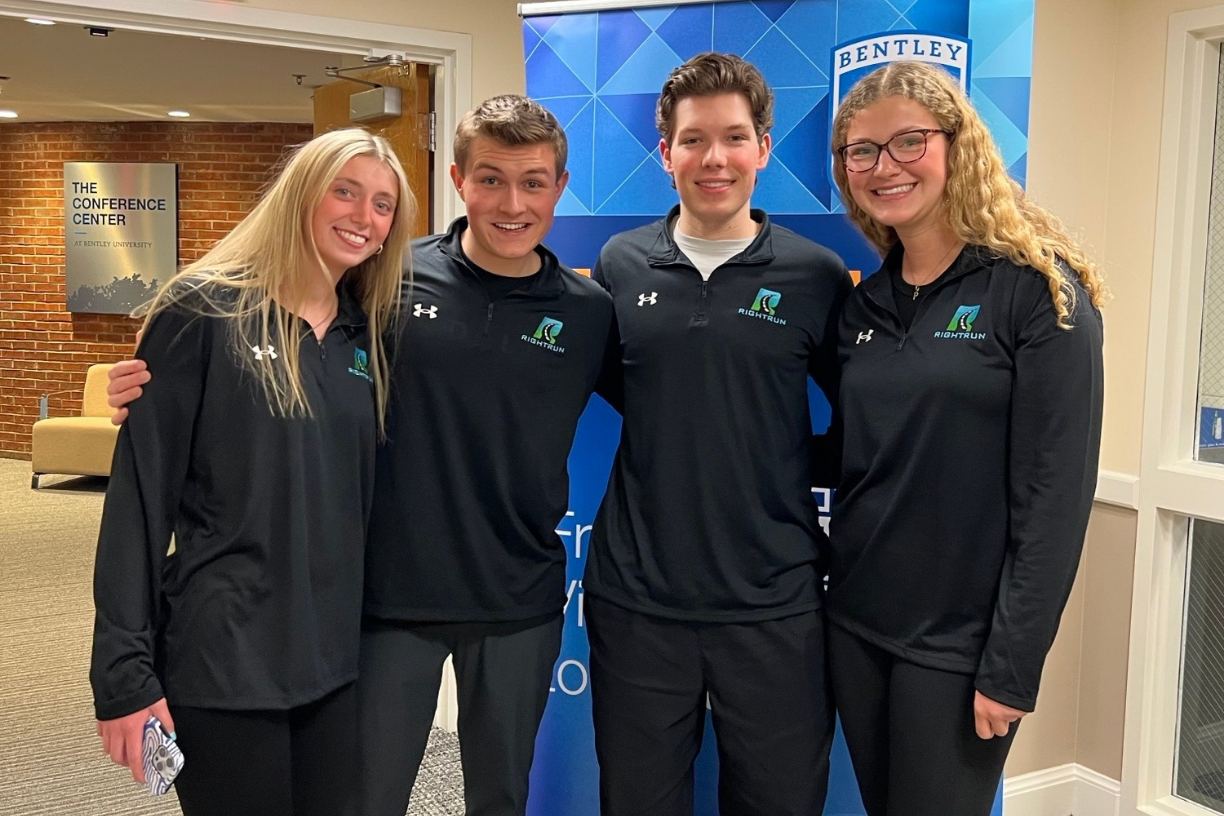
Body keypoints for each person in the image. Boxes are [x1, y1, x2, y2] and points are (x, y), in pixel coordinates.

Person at [106, 95, 614, 816]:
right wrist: (145, 392)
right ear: (460, 180)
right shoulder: (388, 284)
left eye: (533, 182)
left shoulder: (587, 312)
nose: (512, 202)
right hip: (381, 602)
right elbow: (259, 330)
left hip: (516, 599)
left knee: (499, 797)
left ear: (559, 187)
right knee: (365, 800)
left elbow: (673, 399)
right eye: (491, 179)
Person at [90, 127, 413, 816]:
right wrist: (123, 676)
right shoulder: (203, 311)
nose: (363, 216)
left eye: (382, 205)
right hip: (226, 662)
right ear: (300, 195)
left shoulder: (371, 334)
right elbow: (139, 503)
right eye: (346, 191)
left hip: (333, 666)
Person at [826, 61, 1105, 816]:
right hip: (855, 626)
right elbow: (861, 459)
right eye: (862, 152)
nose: (885, 167)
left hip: (960, 648)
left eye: (907, 141)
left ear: (959, 147)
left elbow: (1056, 497)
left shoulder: (1039, 295)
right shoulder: (865, 306)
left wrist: (1012, 667)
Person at [585, 53, 852, 816]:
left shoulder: (816, 273)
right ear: (664, 151)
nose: (715, 159)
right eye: (694, 139)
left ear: (764, 148)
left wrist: (786, 462)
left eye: (734, 138)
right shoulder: (621, 261)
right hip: (639, 602)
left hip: (776, 605)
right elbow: (618, 388)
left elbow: (867, 415)